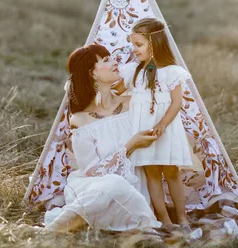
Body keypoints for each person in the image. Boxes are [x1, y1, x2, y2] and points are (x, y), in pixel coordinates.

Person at [44, 44, 162, 232]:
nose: (115, 62)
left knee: (128, 197)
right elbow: (93, 172)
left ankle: (143, 231)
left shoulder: (133, 103)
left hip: (134, 192)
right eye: (106, 60)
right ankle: (49, 233)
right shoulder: (80, 120)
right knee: (114, 183)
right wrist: (130, 146)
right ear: (92, 73)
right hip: (95, 189)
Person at [119, 17, 194, 227]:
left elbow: (177, 103)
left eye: (138, 44)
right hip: (145, 131)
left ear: (154, 44)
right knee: (152, 173)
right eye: (132, 44)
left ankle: (182, 217)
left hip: (166, 129)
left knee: (172, 173)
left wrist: (161, 125)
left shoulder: (172, 71)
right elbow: (114, 90)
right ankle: (165, 220)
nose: (134, 49)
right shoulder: (133, 72)